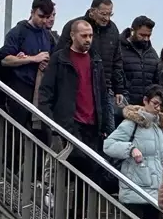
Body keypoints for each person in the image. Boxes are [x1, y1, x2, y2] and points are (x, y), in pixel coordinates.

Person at [38, 18, 114, 186]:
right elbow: (46, 92)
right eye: (84, 35)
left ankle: (80, 211)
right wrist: (50, 122)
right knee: (68, 167)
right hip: (68, 123)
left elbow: (102, 93)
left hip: (93, 126)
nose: (88, 40)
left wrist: (105, 126)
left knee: (91, 172)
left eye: (90, 36)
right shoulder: (60, 59)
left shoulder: (96, 60)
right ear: (72, 35)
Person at [102, 84, 163, 219]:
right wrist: (131, 149)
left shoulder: (161, 128)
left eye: (161, 105)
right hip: (135, 189)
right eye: (155, 103)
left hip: (155, 190)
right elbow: (108, 145)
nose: (158, 108)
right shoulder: (131, 124)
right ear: (145, 100)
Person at [0, 0, 56, 130]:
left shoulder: (48, 36)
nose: (44, 21)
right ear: (32, 12)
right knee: (16, 132)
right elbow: (4, 59)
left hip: (39, 90)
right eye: (41, 16)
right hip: (19, 87)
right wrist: (32, 59)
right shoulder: (18, 32)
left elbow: (53, 60)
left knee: (40, 133)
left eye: (47, 17)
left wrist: (46, 64)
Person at [59, 0, 125, 107]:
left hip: (105, 87)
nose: (107, 18)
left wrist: (119, 88)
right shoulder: (74, 26)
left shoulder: (113, 30)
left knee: (107, 123)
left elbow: (117, 60)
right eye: (103, 14)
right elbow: (60, 55)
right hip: (78, 86)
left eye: (110, 14)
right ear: (92, 11)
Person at [119, 16, 162, 106]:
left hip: (145, 106)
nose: (146, 39)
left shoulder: (152, 54)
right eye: (142, 35)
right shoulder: (118, 49)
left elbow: (157, 82)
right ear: (132, 31)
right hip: (124, 104)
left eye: (148, 36)